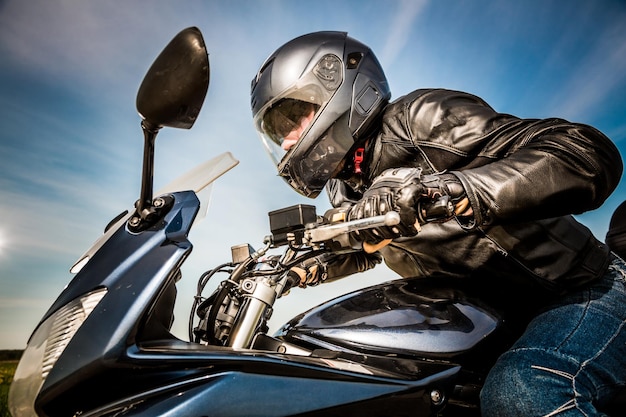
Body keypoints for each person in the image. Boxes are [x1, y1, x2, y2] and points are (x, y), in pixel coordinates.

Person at [250, 31, 626, 416]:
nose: (287, 142)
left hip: (582, 289)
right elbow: (364, 246)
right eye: (278, 132)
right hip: (486, 316)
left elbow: (584, 152)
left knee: (524, 389)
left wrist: (449, 187)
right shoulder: (346, 187)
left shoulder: (422, 119)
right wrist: (292, 269)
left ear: (337, 85)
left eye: (295, 117)